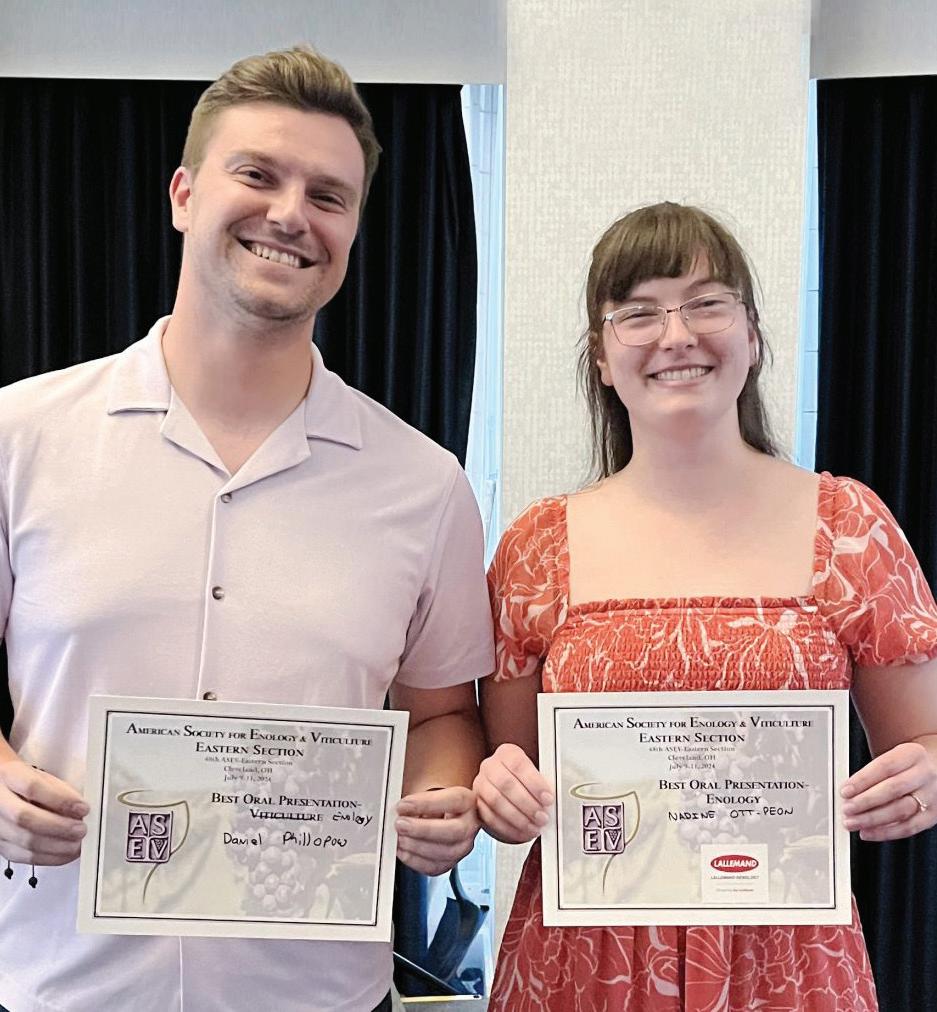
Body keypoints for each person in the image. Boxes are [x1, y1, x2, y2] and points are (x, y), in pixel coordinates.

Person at [0, 46, 493, 1012]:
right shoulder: (20, 436)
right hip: (62, 983)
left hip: (322, 991)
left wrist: (443, 797)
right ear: (184, 195)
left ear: (352, 230)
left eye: (328, 196)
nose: (290, 214)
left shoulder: (424, 485)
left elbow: (443, 714)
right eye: (257, 174)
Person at [473, 202, 937, 1011]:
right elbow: (511, 768)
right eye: (638, 313)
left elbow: (923, 741)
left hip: (788, 960)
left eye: (706, 304)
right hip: (586, 962)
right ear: (600, 358)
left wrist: (925, 777)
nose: (676, 335)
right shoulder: (536, 547)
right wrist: (500, 792)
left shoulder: (848, 526)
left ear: (751, 336)